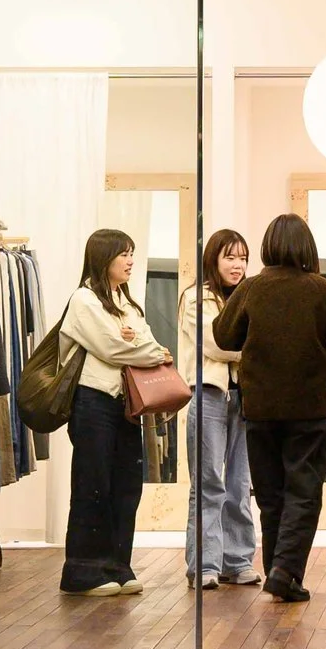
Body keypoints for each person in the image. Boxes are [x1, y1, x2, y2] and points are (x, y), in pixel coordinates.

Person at [213, 213, 326, 603]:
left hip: (260, 412)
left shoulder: (251, 288)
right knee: (304, 493)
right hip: (307, 412)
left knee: (271, 496)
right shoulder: (320, 289)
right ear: (306, 247)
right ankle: (284, 571)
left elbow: (223, 334)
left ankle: (280, 573)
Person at [58, 228, 173, 598]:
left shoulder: (127, 302)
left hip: (125, 404)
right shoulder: (83, 300)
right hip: (92, 401)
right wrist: (143, 349)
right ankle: (81, 572)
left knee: (126, 486)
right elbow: (113, 348)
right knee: (93, 484)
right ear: (102, 257)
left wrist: (135, 343)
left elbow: (143, 340)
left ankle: (117, 566)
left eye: (132, 253)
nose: (130, 261)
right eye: (123, 254)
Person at [177, 228, 259, 591]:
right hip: (209, 394)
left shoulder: (247, 295)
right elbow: (215, 344)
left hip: (244, 397)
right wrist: (251, 351)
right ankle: (204, 565)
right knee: (208, 483)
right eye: (230, 257)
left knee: (240, 483)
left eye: (243, 258)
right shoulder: (196, 297)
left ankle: (238, 561)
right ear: (214, 259)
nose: (238, 265)